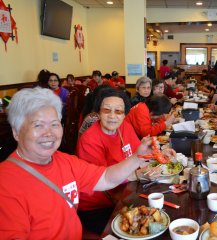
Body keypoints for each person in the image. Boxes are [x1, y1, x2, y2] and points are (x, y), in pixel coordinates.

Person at [0, 87, 154, 239]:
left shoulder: (65, 161)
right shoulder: (6, 183)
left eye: (54, 124)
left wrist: (138, 156)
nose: (49, 133)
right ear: (16, 132)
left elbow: (106, 177)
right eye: (38, 125)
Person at [76, 88, 138, 233]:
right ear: (98, 112)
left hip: (124, 194)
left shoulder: (125, 127)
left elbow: (139, 154)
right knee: (134, 229)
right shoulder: (89, 140)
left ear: (124, 115)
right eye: (106, 110)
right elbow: (102, 181)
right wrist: (135, 174)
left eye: (118, 111)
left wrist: (157, 153)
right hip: (98, 206)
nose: (112, 116)